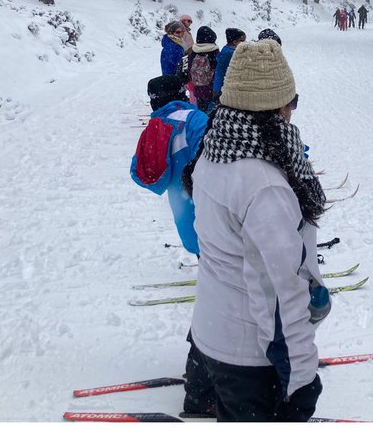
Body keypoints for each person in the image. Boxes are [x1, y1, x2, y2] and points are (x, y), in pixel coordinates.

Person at [183, 39, 328, 422]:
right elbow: (281, 293)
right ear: (278, 107)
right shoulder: (264, 185)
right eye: (292, 102)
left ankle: (198, 398)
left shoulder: (212, 153)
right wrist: (301, 380)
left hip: (210, 332)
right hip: (249, 355)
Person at [132, 72, 215, 419]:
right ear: (182, 92)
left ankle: (207, 367)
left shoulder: (154, 128)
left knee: (213, 284)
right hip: (211, 216)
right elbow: (218, 160)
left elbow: (142, 175)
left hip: (185, 222)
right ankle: (209, 372)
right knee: (222, 295)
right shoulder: (195, 119)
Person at [187, 29, 221, 115]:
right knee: (213, 114)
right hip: (211, 89)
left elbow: (190, 70)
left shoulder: (193, 52)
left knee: (202, 112)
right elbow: (219, 71)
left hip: (198, 89)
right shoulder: (214, 52)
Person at [212, 28, 245, 97]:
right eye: (242, 41)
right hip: (224, 89)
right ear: (234, 42)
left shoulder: (225, 50)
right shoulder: (231, 54)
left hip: (220, 87)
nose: (244, 43)